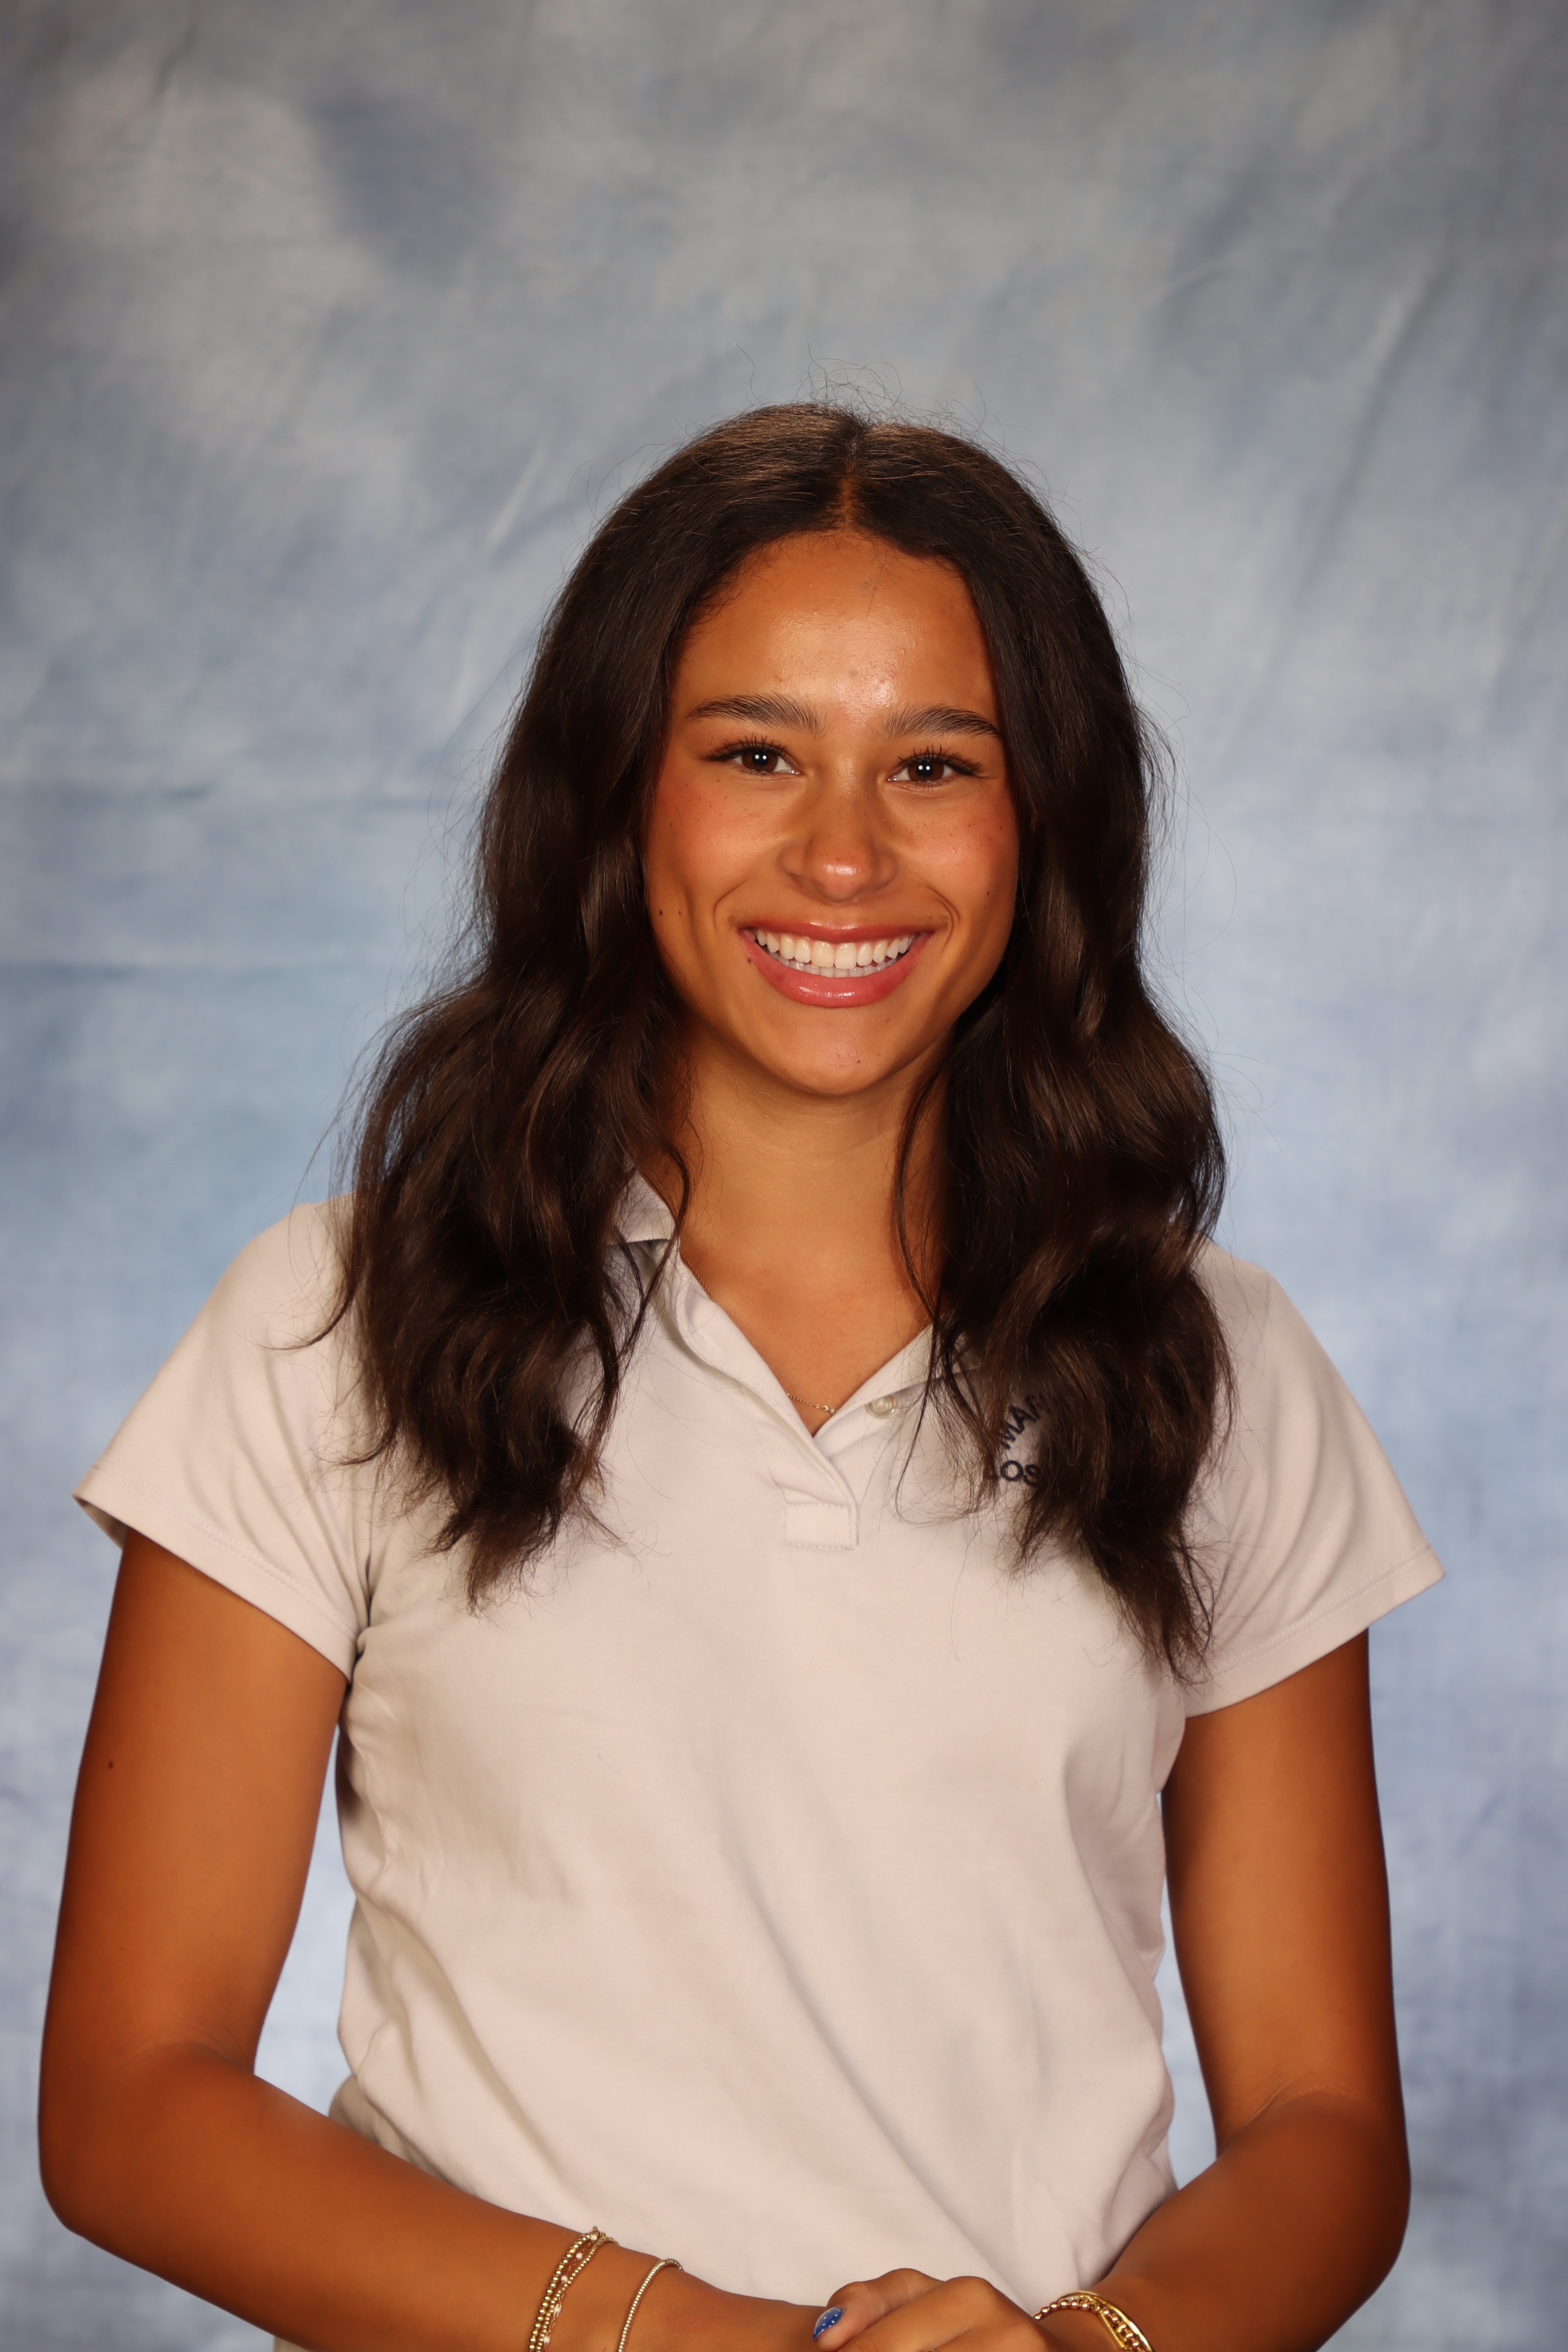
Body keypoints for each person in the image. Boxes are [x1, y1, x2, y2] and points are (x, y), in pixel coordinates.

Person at [40, 404, 1441, 2352]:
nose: (843, 855)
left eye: (933, 764)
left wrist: (1088, 2350)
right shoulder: (334, 1323)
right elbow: (132, 2107)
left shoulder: (1217, 1367)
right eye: (755, 754)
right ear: (620, 795)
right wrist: (697, 2337)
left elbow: (1322, 2123)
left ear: (1044, 824)